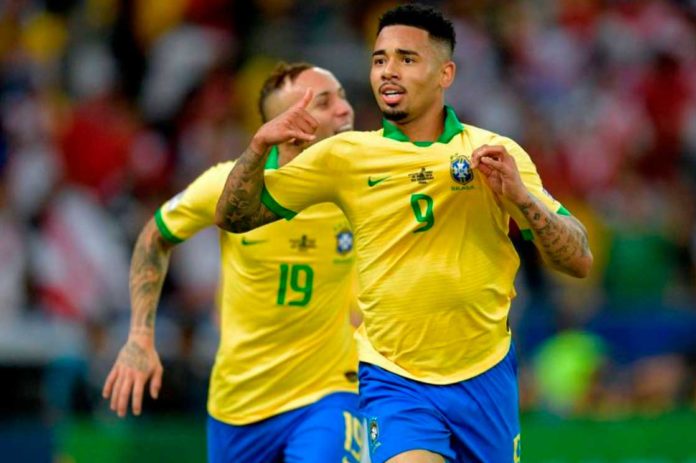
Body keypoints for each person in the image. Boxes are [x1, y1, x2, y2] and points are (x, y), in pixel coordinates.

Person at [215, 4, 593, 463]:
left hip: (485, 375)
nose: (388, 72)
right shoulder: (346, 155)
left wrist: (522, 199)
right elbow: (235, 216)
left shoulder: (494, 152)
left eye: (406, 59)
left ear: (445, 73)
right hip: (394, 379)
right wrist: (258, 147)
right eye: (379, 60)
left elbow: (577, 260)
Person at [102, 62, 366, 463]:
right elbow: (155, 237)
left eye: (343, 97)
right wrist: (140, 336)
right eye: (326, 102)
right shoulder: (227, 187)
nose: (345, 110)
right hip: (239, 401)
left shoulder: (362, 187)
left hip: (328, 392)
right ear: (289, 123)